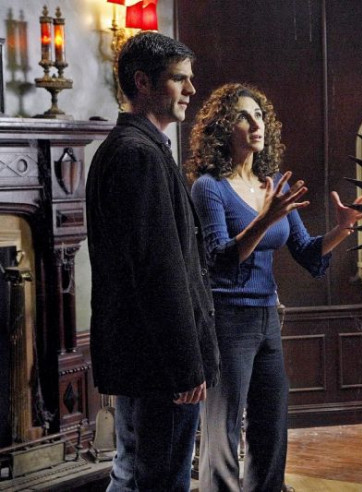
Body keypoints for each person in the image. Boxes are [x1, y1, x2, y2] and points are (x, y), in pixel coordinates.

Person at [185, 83, 362, 492]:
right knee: (222, 429)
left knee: (271, 425)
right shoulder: (209, 187)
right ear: (222, 127)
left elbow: (306, 252)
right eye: (243, 116)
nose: (256, 124)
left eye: (259, 115)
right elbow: (220, 258)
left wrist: (342, 228)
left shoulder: (274, 186)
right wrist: (265, 219)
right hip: (227, 318)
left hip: (268, 317)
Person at [86, 31, 219, 491]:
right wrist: (185, 365)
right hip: (159, 365)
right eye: (179, 79)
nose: (191, 89)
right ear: (142, 82)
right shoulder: (137, 155)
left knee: (136, 476)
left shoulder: (136, 149)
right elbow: (157, 271)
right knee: (158, 481)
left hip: (150, 359)